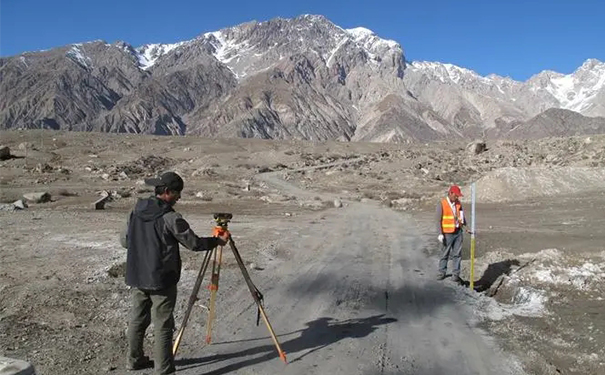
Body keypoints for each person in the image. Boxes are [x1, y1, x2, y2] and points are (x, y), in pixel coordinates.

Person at [120, 171, 229, 374]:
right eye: (178, 193)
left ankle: (134, 360)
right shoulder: (170, 217)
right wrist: (216, 241)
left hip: (137, 275)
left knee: (137, 318)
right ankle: (164, 369)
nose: (179, 197)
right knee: (163, 325)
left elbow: (125, 241)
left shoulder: (135, 210)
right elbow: (194, 243)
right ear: (168, 192)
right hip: (161, 279)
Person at [436, 185, 468, 283]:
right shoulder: (442, 203)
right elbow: (438, 220)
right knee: (445, 253)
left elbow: (462, 217)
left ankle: (455, 274)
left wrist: (467, 228)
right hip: (447, 233)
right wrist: (440, 233)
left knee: (457, 254)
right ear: (450, 193)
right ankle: (442, 272)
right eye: (456, 195)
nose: (457, 197)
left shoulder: (458, 203)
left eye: (458, 196)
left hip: (458, 232)